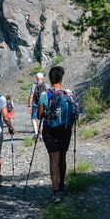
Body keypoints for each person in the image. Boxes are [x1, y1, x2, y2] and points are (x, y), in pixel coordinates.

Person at [37, 66, 78, 204]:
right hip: (65, 130)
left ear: (50, 78)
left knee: (53, 160)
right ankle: (62, 184)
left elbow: (39, 115)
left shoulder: (45, 94)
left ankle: (56, 192)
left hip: (50, 131)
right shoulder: (69, 94)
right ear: (61, 78)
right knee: (63, 157)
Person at [28, 72, 50, 138]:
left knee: (33, 118)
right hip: (44, 104)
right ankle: (41, 134)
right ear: (42, 78)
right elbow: (48, 94)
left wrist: (29, 106)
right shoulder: (46, 85)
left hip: (35, 104)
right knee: (43, 119)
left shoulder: (34, 86)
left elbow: (31, 96)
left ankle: (36, 133)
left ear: (36, 78)